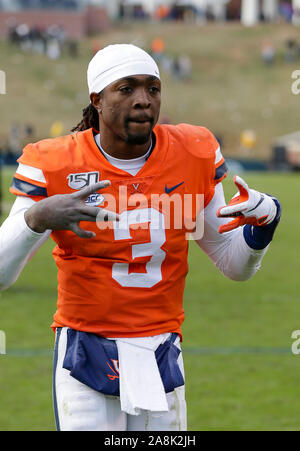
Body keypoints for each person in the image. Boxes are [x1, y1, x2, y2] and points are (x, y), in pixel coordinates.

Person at [0, 44, 281, 431]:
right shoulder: (56, 163)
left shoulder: (192, 152)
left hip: (162, 351)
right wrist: (37, 218)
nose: (143, 101)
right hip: (85, 351)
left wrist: (262, 227)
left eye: (152, 89)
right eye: (127, 88)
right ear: (97, 99)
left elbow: (233, 264)